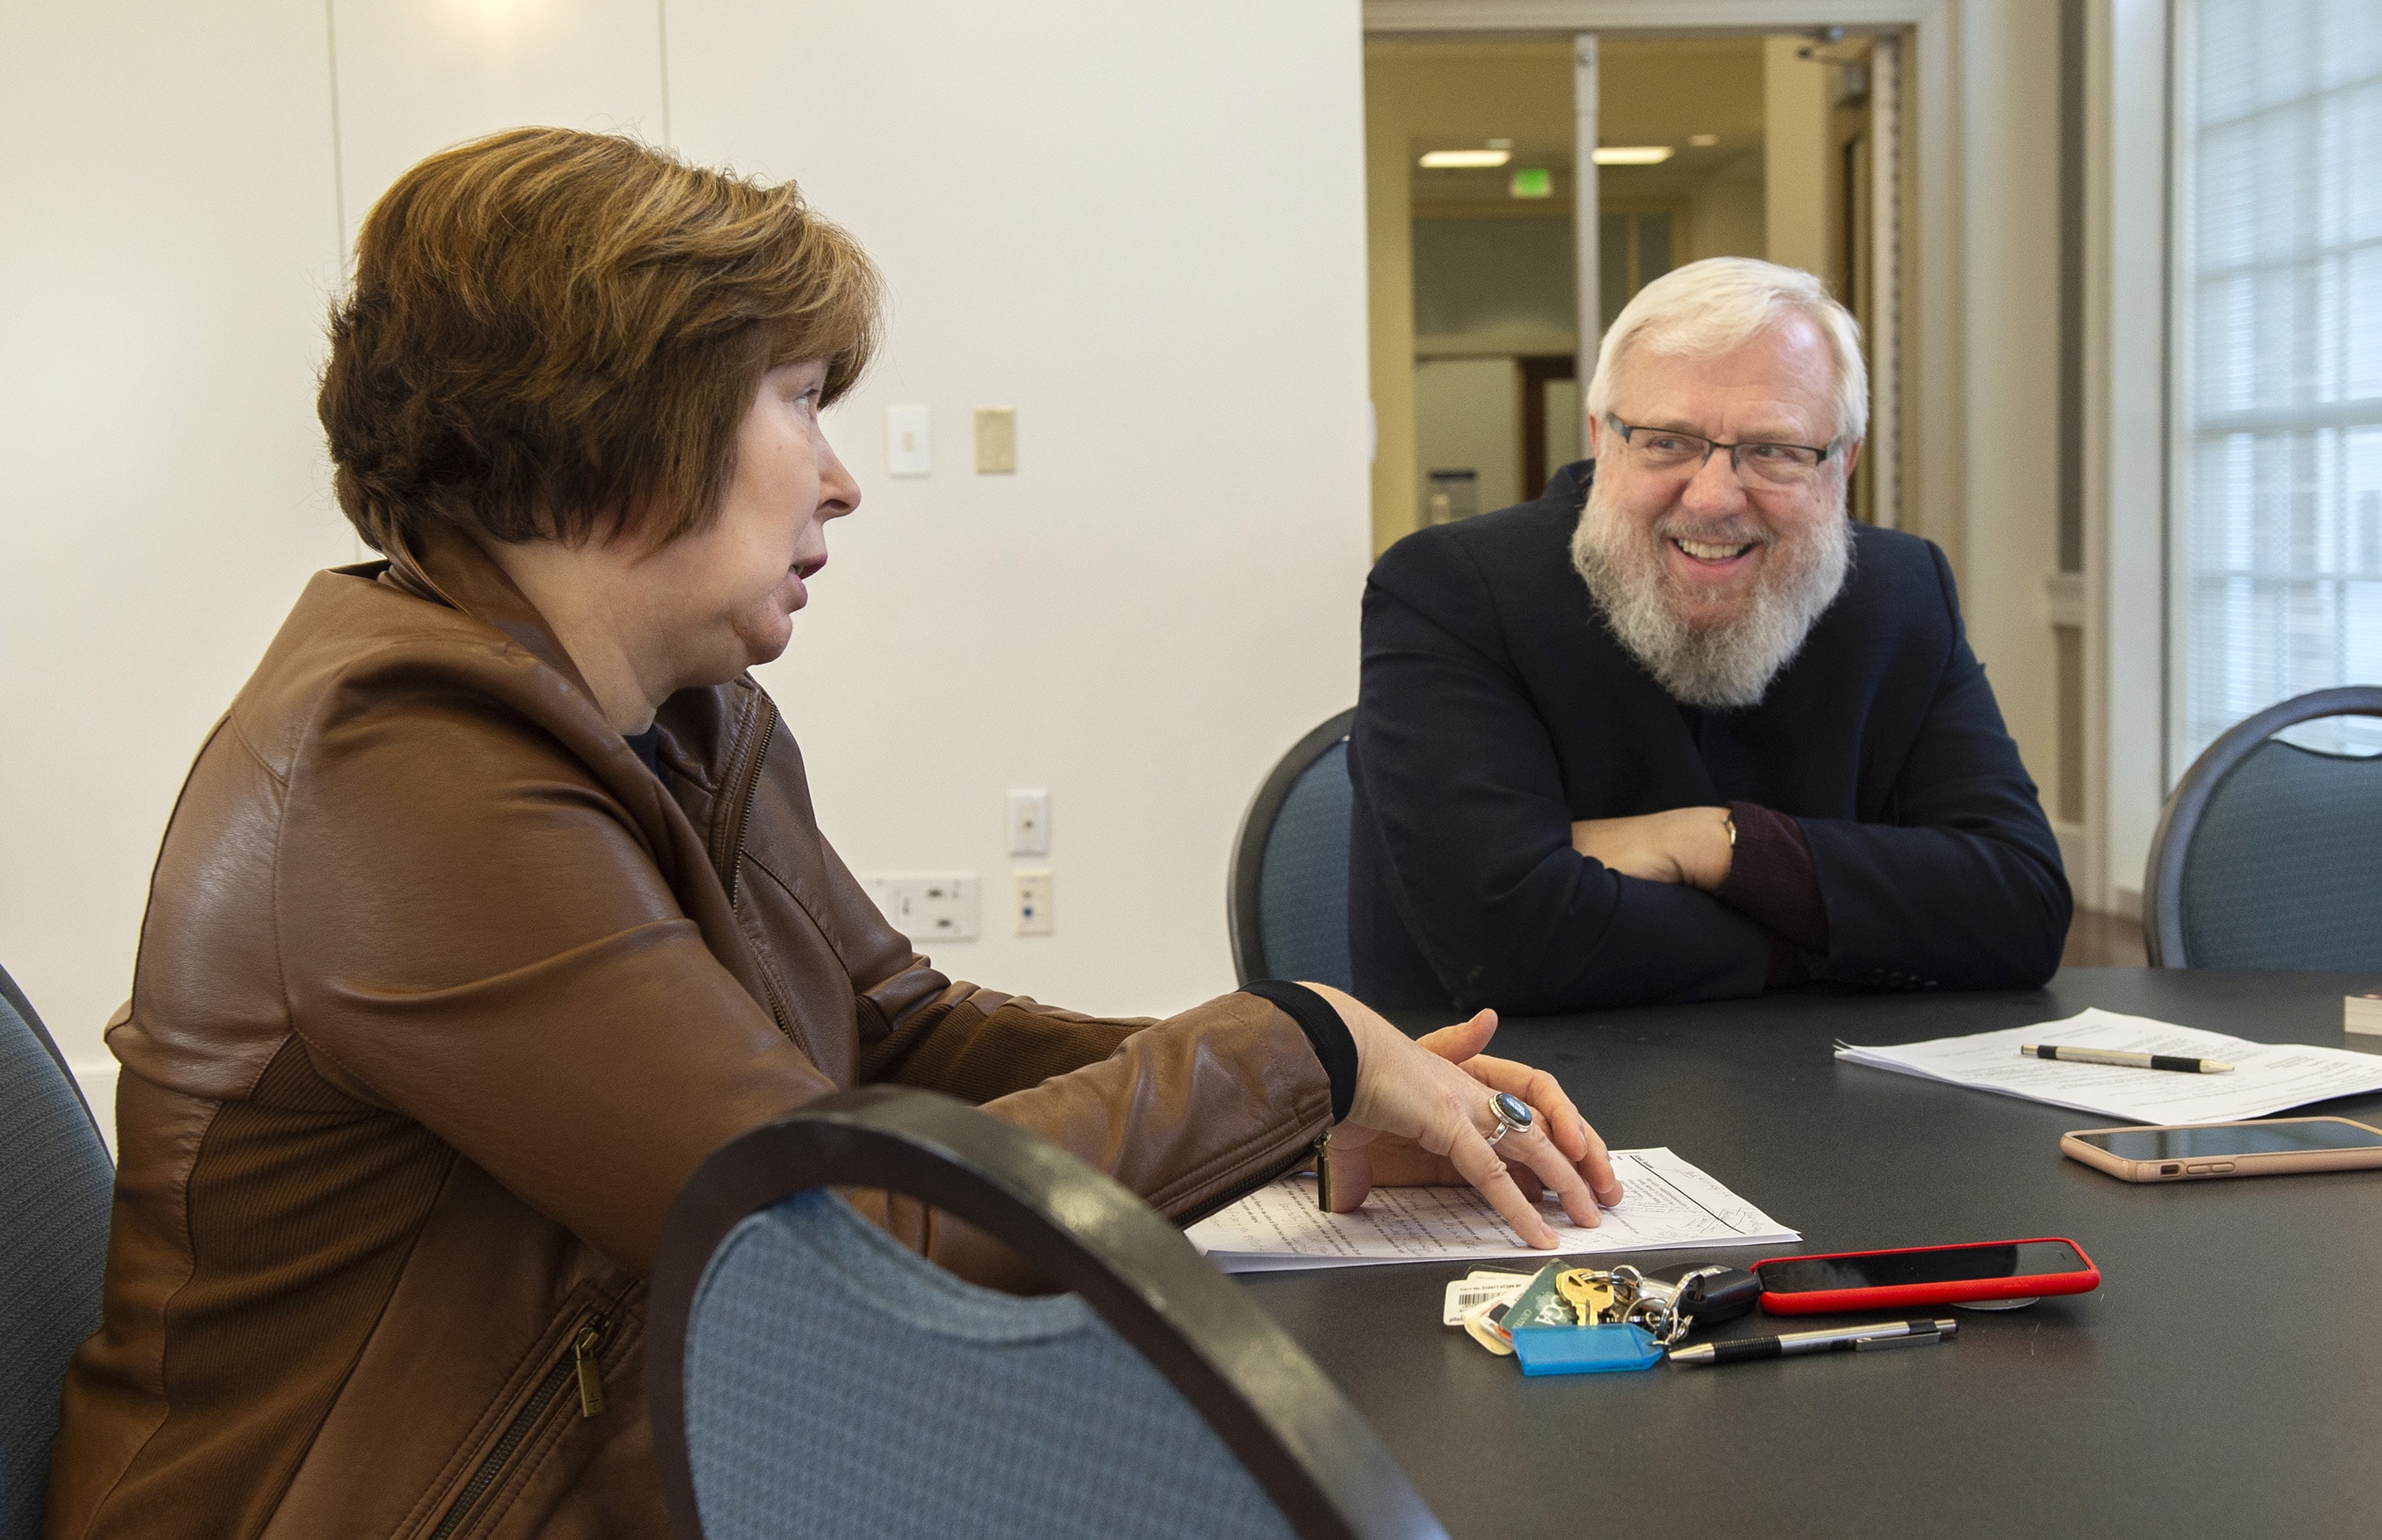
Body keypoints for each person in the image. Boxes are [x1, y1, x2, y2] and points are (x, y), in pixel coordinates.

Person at [46, 128, 1619, 1540]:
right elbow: (828, 1241)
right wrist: (1299, 1049)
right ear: (618, 425)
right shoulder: (400, 774)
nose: (846, 476)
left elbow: (902, 1039)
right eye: (800, 399)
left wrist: (1297, 1104)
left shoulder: (673, 710)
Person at [1348, 257, 2071, 1015]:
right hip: (1525, 1109)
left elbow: (2023, 907)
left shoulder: (1901, 595)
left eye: (1774, 450)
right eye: (1666, 441)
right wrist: (1842, 935)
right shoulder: (1452, 592)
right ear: (1602, 442)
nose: (1716, 497)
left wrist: (1717, 846)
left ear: (1842, 464)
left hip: (1840, 1104)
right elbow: (1508, 942)